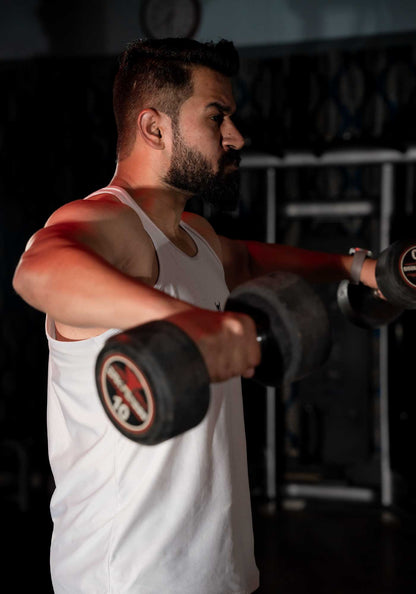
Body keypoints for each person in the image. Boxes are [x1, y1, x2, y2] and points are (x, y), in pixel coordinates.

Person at [13, 38, 379, 594]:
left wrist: (355, 268)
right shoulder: (110, 221)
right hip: (127, 576)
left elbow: (249, 258)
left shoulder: (195, 237)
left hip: (217, 567)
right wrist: (184, 319)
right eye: (218, 116)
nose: (237, 136)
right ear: (155, 128)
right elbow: (37, 270)